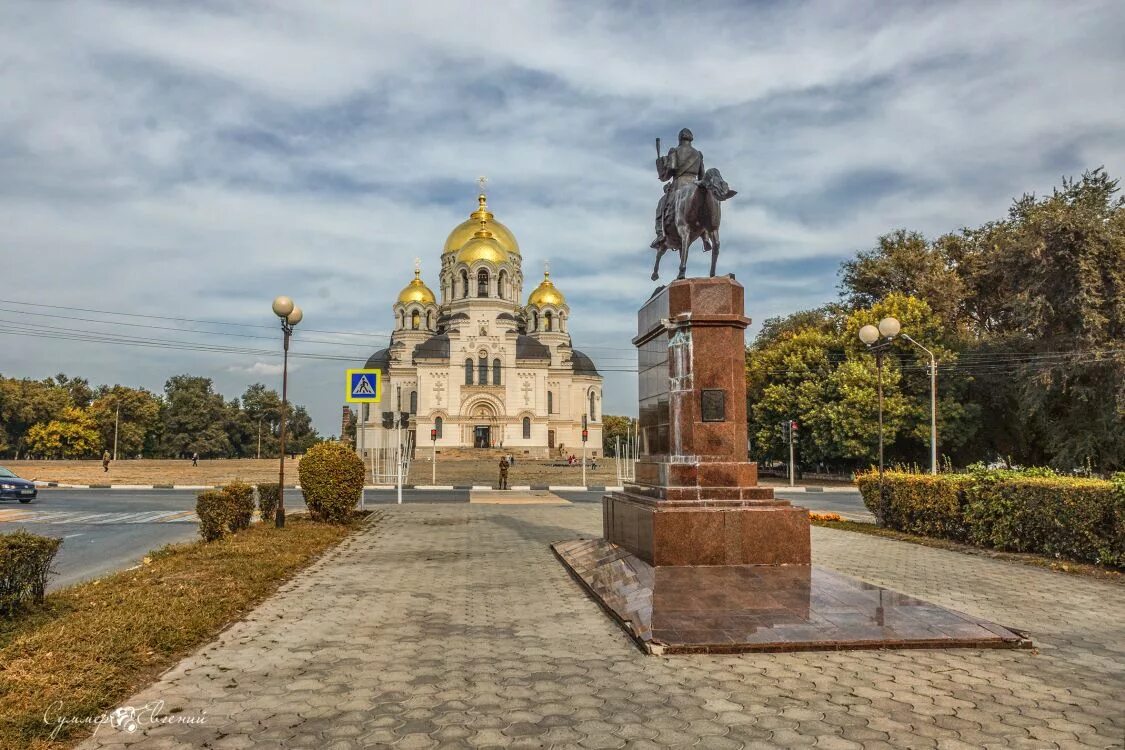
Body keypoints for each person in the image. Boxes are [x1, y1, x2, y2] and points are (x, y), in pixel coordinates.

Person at [652, 127, 705, 250]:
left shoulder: (674, 151)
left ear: (680, 138)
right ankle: (705, 236)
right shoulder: (698, 154)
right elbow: (702, 175)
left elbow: (670, 171)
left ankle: (660, 235)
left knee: (661, 205)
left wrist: (661, 168)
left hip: (679, 185)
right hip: (695, 186)